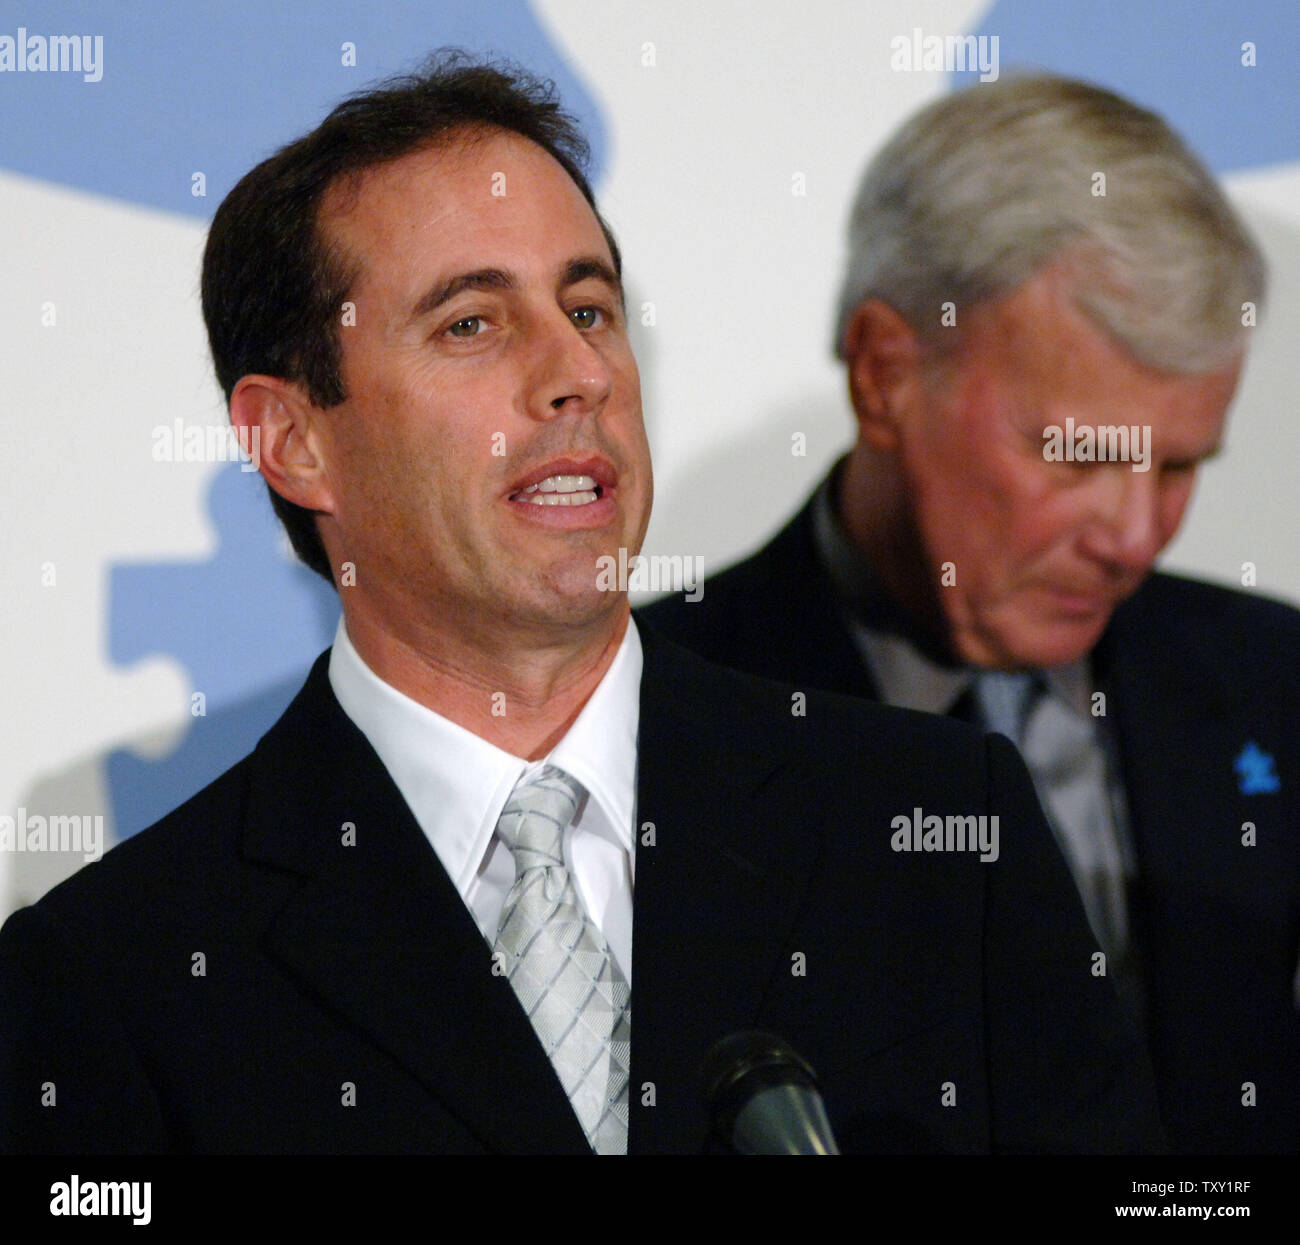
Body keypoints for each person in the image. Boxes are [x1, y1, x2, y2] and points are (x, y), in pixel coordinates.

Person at [0, 56, 1161, 1156]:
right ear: (294, 440)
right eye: (471, 323)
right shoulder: (120, 975)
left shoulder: (941, 826)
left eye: (590, 309)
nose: (580, 374)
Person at [642, 74, 1300, 1154]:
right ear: (886, 374)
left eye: (1179, 464)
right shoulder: (649, 715)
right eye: (1078, 455)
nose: (1134, 535)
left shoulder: (1270, 684)